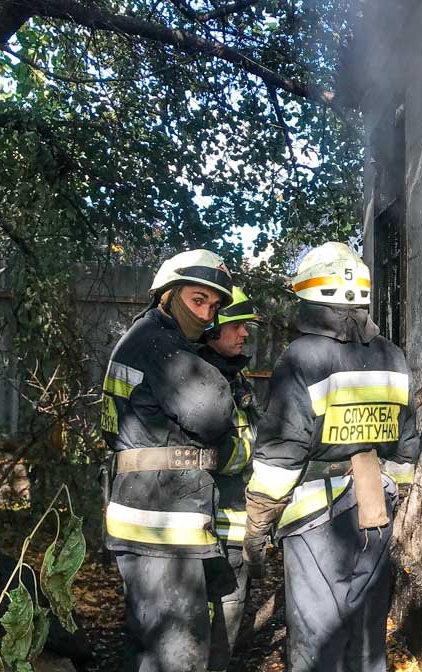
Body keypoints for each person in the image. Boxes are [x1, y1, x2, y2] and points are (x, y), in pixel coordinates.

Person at [242, 242, 418, 672]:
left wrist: (256, 528)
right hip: (374, 510)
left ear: (310, 300)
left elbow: (282, 454)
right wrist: (390, 494)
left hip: (313, 517)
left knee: (317, 639)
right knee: (365, 634)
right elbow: (406, 443)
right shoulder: (392, 356)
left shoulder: (301, 358)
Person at [101, 249, 237, 672]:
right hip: (163, 524)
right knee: (178, 653)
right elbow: (212, 413)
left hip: (146, 514)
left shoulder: (142, 339)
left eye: (214, 306)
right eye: (198, 300)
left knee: (150, 647)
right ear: (167, 295)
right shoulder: (159, 345)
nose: (207, 313)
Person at [197, 287, 262, 672]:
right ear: (213, 327)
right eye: (237, 326)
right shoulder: (195, 378)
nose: (245, 334)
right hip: (202, 529)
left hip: (233, 528)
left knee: (226, 628)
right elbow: (216, 455)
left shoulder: (235, 380)